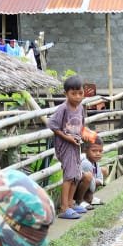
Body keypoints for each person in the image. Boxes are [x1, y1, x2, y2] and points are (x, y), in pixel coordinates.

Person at [48, 76, 92, 220]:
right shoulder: (63, 108)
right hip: (65, 146)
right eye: (73, 93)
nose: (78, 97)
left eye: (80, 93)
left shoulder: (80, 108)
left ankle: (71, 203)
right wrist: (68, 138)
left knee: (76, 175)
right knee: (69, 176)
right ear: (66, 94)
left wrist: (84, 135)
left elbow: (81, 125)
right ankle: (64, 207)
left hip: (75, 144)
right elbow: (52, 125)